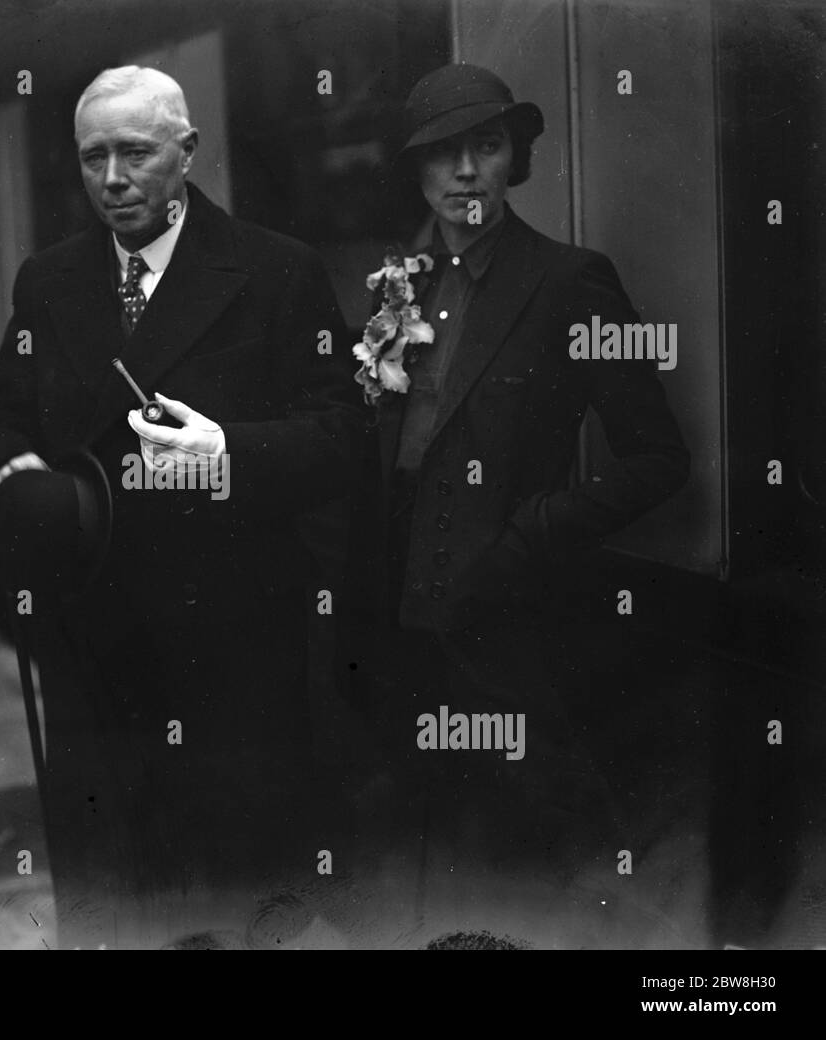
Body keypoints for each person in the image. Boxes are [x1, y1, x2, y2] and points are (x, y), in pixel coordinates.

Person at [0, 66, 362, 947]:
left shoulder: (277, 272)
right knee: (110, 889)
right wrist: (17, 467)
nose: (112, 179)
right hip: (90, 645)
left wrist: (227, 449)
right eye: (93, 157)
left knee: (226, 891)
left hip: (231, 653)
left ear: (187, 152)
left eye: (137, 153)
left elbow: (344, 439)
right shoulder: (50, 280)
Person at [359, 63, 690, 938]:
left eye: (488, 146)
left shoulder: (573, 280)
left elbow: (659, 459)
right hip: (399, 627)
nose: (466, 171)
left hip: (511, 631)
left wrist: (528, 536)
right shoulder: (398, 286)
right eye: (443, 154)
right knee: (417, 860)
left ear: (515, 159)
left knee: (529, 863)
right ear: (418, 174)